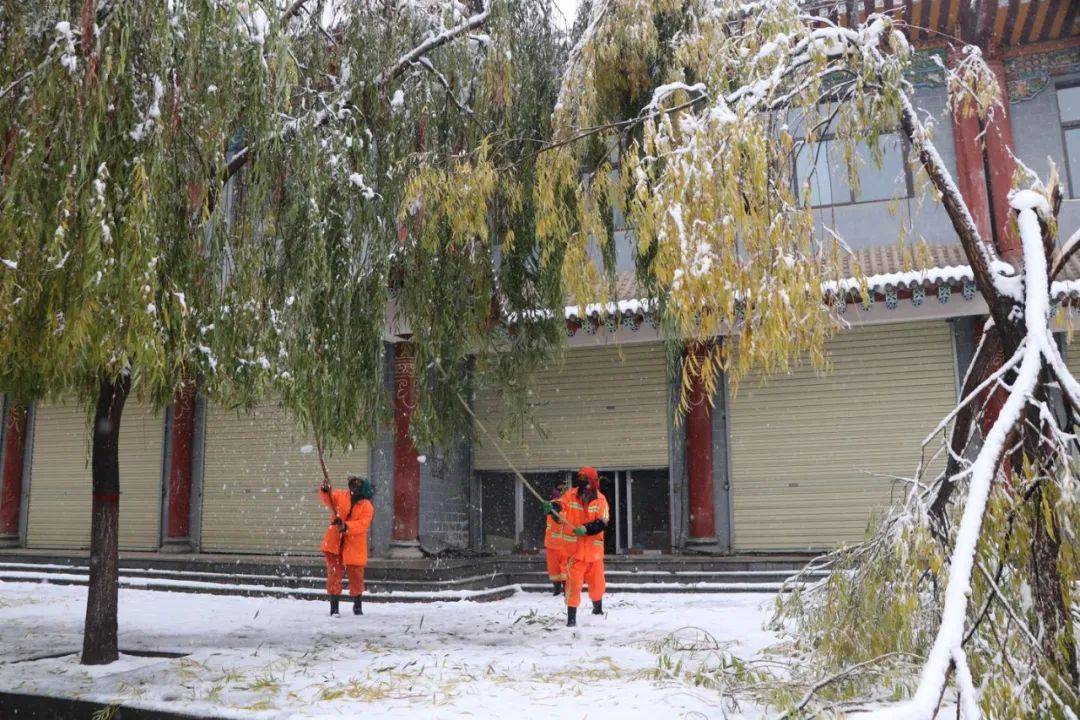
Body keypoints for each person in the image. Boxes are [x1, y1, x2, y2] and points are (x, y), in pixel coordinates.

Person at [547, 466, 608, 627]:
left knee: (597, 585)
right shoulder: (571, 495)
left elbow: (603, 522)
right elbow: (561, 506)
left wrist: (587, 529)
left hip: (594, 553)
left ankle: (598, 610)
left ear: (593, 481)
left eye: (585, 479)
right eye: (580, 478)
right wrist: (554, 508)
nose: (582, 482)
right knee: (573, 587)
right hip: (575, 553)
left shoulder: (601, 500)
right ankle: (571, 620)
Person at [318, 474, 375, 616]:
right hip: (334, 542)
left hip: (354, 545)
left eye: (357, 485)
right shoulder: (341, 496)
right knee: (334, 576)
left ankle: (357, 606)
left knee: (356, 576)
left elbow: (363, 525)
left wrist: (346, 526)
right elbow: (329, 499)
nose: (353, 487)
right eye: (352, 484)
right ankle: (334, 608)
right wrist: (326, 490)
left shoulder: (367, 506)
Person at [543, 480, 571, 596]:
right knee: (555, 568)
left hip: (562, 543)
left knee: (563, 568)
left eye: (563, 489)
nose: (561, 491)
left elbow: (559, 518)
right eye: (560, 489)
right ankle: (558, 589)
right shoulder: (552, 505)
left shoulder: (565, 505)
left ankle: (564, 589)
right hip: (553, 543)